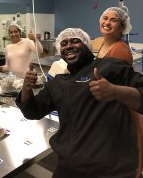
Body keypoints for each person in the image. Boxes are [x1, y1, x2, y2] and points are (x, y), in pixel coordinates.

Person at [16, 28, 143, 178]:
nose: (68, 45)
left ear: (87, 45)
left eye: (75, 41)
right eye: (63, 43)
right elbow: (32, 111)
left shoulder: (110, 66)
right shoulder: (58, 83)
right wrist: (26, 89)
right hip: (69, 168)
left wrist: (115, 91)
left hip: (111, 170)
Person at [98, 6, 143, 178]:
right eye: (105, 18)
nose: (107, 22)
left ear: (122, 27)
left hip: (119, 108)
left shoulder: (120, 49)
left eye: (113, 20)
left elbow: (118, 86)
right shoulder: (103, 43)